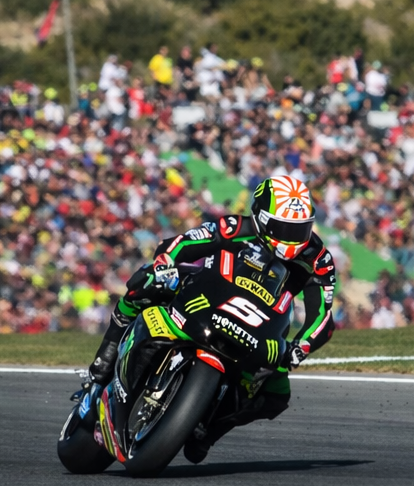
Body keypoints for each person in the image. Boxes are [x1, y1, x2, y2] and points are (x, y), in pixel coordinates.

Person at [84, 175, 337, 463]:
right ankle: (105, 357)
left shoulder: (318, 259)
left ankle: (210, 429)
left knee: (277, 395)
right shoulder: (234, 227)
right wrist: (165, 261)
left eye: (300, 229)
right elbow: (182, 243)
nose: (293, 239)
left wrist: (300, 347)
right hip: (205, 290)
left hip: (260, 322)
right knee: (147, 281)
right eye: (283, 228)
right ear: (263, 220)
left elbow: (322, 316)